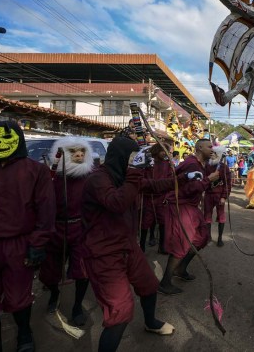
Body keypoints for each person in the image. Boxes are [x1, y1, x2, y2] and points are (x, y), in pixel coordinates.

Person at [81, 138, 183, 351]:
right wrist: (135, 172)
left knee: (149, 285)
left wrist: (181, 178)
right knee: (120, 311)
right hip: (104, 253)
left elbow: (152, 185)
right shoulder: (97, 179)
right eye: (132, 157)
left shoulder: (125, 176)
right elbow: (117, 203)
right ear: (120, 156)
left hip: (128, 246)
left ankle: (150, 322)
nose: (136, 161)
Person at [0, 121, 56, 352]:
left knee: (18, 297)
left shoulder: (37, 171)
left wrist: (37, 244)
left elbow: (46, 211)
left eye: (4, 138)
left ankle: (24, 335)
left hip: (19, 245)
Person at [39, 137, 94, 327]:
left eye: (82, 151)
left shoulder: (89, 178)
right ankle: (54, 294)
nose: (79, 155)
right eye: (73, 151)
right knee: (49, 271)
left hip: (80, 228)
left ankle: (77, 305)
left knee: (82, 270)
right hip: (56, 228)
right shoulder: (50, 176)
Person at [158, 139, 220, 295]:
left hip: (191, 207)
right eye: (209, 147)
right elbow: (191, 189)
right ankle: (165, 283)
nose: (213, 149)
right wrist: (209, 179)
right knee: (181, 244)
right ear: (199, 147)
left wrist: (212, 176)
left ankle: (181, 268)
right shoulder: (192, 164)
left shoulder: (199, 164)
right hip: (181, 206)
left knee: (202, 237)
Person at [204, 146, 232, 247]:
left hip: (219, 195)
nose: (211, 154)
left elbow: (228, 183)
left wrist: (224, 196)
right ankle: (208, 237)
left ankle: (220, 238)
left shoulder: (224, 167)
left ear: (219, 155)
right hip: (208, 195)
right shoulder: (206, 166)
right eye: (211, 153)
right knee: (207, 215)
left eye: (214, 153)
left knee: (221, 216)